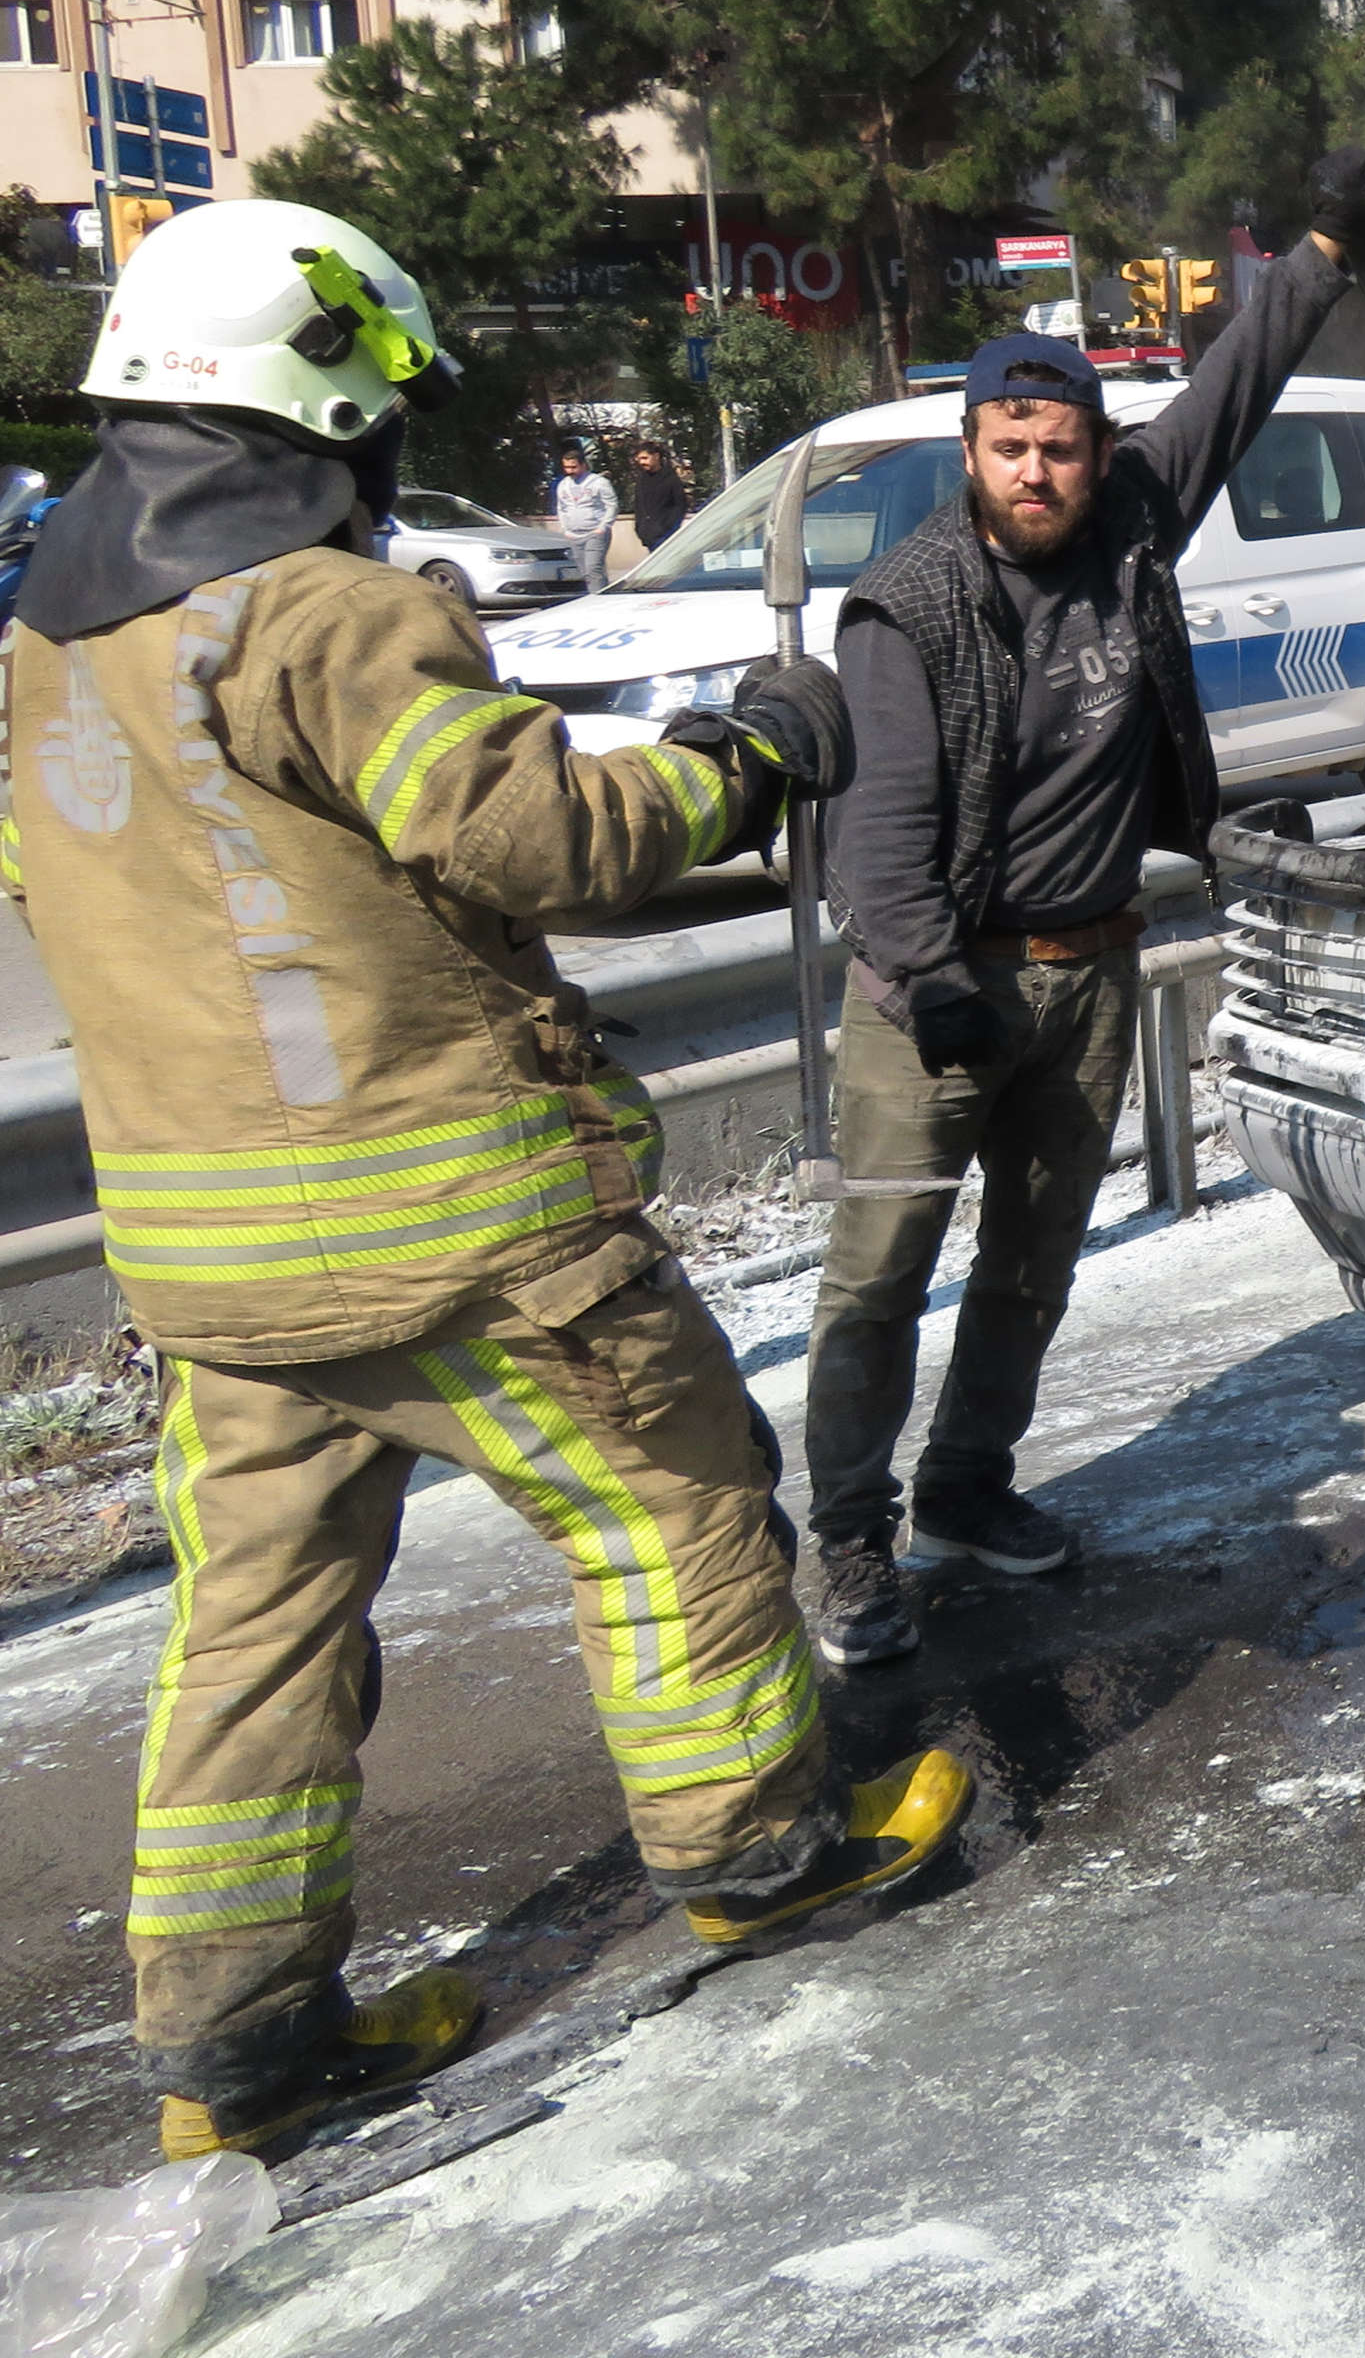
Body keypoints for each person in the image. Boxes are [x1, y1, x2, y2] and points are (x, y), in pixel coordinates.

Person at [5, 199, 965, 2161]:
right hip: (451, 1233)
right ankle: (757, 1848)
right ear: (323, 403)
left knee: (253, 1628)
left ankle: (238, 2045)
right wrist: (749, 753)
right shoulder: (329, 617)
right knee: (680, 1500)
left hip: (208, 1266)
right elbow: (542, 839)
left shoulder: (47, 644)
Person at [804, 155, 1365, 1666]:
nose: (1036, 473)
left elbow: (1234, 384)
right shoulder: (908, 607)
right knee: (876, 1278)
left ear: (1092, 451)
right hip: (930, 994)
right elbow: (887, 825)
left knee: (1032, 1264)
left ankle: (966, 1495)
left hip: (1088, 970)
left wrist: (1320, 245)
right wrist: (926, 978)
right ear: (970, 452)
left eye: (1058, 446)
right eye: (1009, 447)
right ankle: (848, 1542)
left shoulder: (1130, 520)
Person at [551, 443, 616, 593]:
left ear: (583, 465)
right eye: (566, 467)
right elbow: (561, 508)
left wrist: (603, 527)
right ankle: (599, 595)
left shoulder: (599, 482)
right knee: (585, 572)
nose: (570, 471)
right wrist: (565, 528)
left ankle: (599, 601)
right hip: (574, 534)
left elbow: (612, 505)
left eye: (573, 467)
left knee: (594, 569)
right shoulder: (563, 484)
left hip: (594, 532)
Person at [628, 435, 690, 565]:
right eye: (639, 459)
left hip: (665, 534)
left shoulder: (670, 478)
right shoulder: (641, 479)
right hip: (648, 534)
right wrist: (640, 528)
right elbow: (639, 505)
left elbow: (680, 504)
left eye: (645, 458)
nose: (642, 462)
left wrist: (667, 526)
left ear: (656, 456)